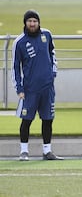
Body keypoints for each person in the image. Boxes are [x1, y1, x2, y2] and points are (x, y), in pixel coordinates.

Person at [11, 10, 63, 161]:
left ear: (39, 22)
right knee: (26, 120)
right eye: (29, 21)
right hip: (29, 90)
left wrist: (53, 73)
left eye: (35, 21)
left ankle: (47, 151)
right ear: (25, 23)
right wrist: (19, 89)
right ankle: (24, 151)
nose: (32, 24)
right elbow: (15, 67)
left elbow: (52, 53)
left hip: (47, 88)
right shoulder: (19, 42)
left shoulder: (46, 35)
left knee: (48, 119)